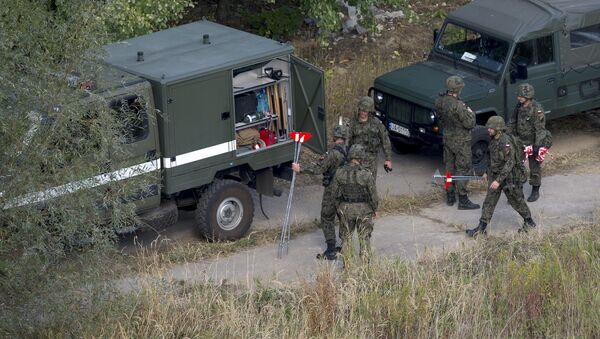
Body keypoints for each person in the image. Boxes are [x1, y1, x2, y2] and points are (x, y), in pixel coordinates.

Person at [466, 116, 536, 236]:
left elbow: (510, 163)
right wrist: (486, 172)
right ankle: (481, 229)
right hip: (496, 176)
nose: (488, 130)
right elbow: (490, 157)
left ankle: (529, 222)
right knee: (489, 202)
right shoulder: (493, 140)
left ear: (498, 129)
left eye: (491, 128)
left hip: (508, 178)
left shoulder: (506, 143)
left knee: (516, 201)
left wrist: (498, 181)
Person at [292, 124, 349, 260]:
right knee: (344, 218)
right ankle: (346, 246)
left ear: (335, 136)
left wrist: (301, 168)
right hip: (346, 189)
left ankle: (330, 250)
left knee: (327, 217)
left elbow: (319, 168)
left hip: (332, 190)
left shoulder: (332, 153)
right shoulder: (350, 151)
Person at [434, 75, 480, 210]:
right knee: (463, 169)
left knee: (449, 169)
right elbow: (470, 123)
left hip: (448, 139)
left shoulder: (440, 102)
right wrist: (471, 113)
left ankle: (450, 195)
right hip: (461, 141)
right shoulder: (459, 105)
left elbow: (441, 119)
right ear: (458, 89)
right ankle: (463, 199)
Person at [330, 144, 378, 261]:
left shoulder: (339, 172)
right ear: (361, 157)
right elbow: (373, 195)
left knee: (346, 239)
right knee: (364, 238)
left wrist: (339, 208)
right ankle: (366, 269)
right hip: (364, 210)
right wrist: (374, 209)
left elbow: (333, 194)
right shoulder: (366, 174)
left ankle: (347, 267)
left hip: (345, 209)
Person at [507, 83, 551, 202]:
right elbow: (512, 122)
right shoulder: (519, 107)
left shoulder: (537, 110)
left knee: (534, 167)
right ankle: (517, 192)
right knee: (517, 166)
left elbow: (540, 130)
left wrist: (537, 147)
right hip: (520, 142)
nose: (518, 98)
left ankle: (535, 190)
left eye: (521, 96)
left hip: (533, 143)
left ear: (528, 97)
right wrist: (508, 137)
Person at [348, 96, 392, 180]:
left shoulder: (376, 123)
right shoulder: (353, 122)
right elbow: (347, 140)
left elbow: (385, 139)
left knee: (370, 184)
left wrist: (388, 159)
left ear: (369, 111)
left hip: (371, 160)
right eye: (361, 110)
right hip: (355, 159)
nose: (363, 113)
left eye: (365, 111)